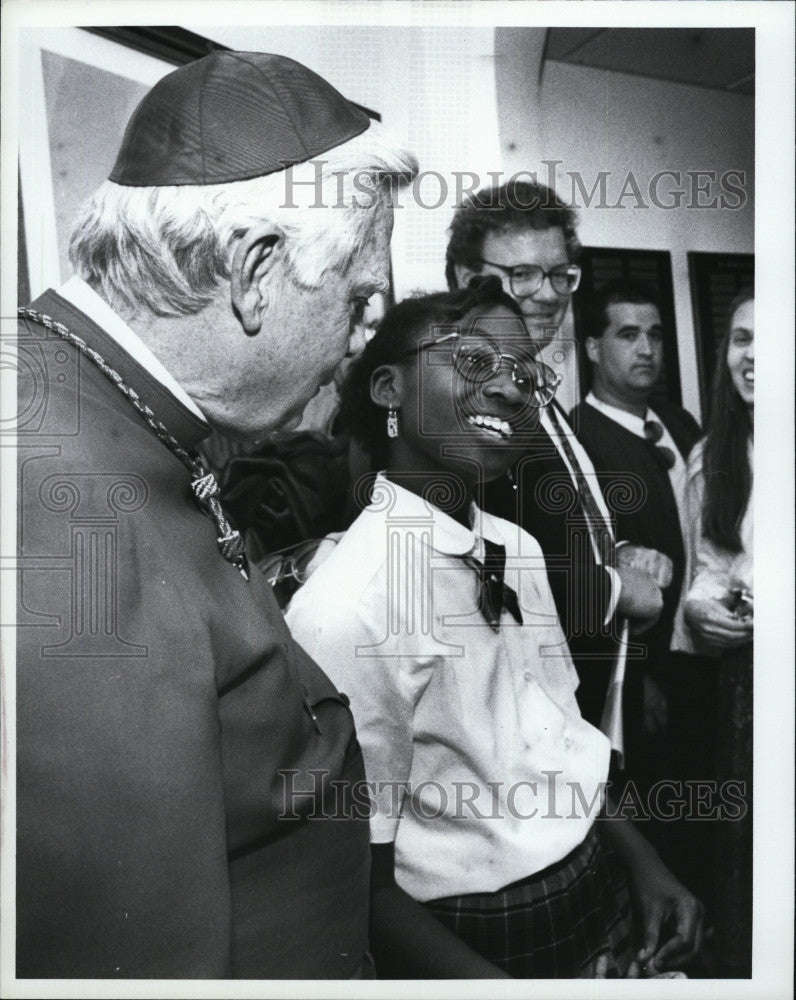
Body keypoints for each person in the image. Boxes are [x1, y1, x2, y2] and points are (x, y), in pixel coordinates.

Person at [15, 50, 417, 978]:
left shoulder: (94, 401)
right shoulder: (56, 500)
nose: (363, 337)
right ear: (254, 269)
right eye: (359, 298)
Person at [285, 278, 703, 979]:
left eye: (527, 374)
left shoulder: (518, 547)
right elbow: (359, 882)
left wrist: (645, 861)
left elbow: (562, 743)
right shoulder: (350, 603)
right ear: (389, 390)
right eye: (474, 361)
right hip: (476, 938)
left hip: (595, 884)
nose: (512, 389)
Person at [445, 180, 668, 745]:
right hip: (519, 727)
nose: (548, 294)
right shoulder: (458, 404)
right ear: (465, 279)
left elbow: (545, 530)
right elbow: (475, 573)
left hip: (584, 701)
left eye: (560, 274)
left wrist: (613, 550)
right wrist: (616, 591)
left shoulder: (539, 392)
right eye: (522, 274)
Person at [568, 280, 705, 886]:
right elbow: (586, 573)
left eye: (654, 334)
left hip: (707, 649)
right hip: (640, 670)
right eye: (628, 334)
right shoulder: (577, 440)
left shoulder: (680, 422)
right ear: (593, 347)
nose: (647, 347)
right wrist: (638, 679)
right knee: (658, 810)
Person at [672, 288, 754, 976]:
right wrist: (701, 606)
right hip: (748, 689)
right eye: (741, 339)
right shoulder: (712, 457)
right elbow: (709, 568)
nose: (753, 357)